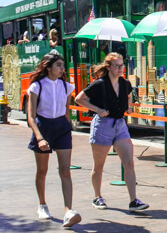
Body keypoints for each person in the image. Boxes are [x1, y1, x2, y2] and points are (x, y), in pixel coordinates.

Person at [74, 53, 149, 212]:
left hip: (120, 124)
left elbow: (128, 96)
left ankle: (133, 200)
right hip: (103, 125)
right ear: (108, 67)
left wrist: (127, 107)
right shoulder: (99, 84)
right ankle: (97, 196)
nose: (120, 69)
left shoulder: (125, 83)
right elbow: (79, 99)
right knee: (99, 165)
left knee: (129, 162)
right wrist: (98, 110)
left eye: (122, 65)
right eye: (117, 66)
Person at [26, 53, 81, 228]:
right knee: (42, 170)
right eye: (58, 65)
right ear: (48, 67)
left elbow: (66, 110)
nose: (62, 69)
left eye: (62, 65)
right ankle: (42, 205)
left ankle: (68, 212)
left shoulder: (66, 87)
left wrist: (67, 126)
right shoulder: (37, 86)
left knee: (65, 170)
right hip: (43, 127)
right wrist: (40, 137)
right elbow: (31, 117)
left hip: (61, 128)